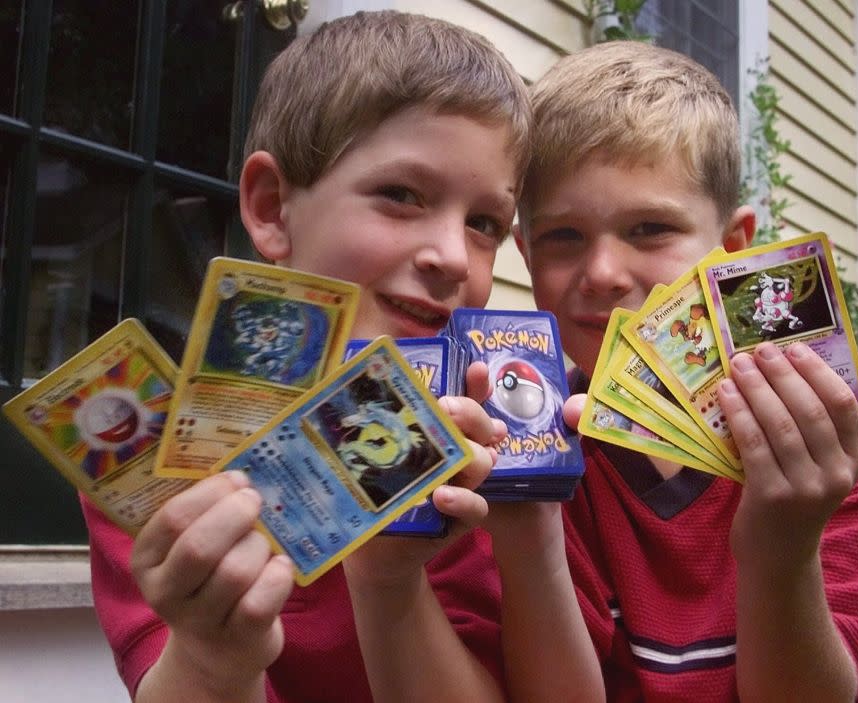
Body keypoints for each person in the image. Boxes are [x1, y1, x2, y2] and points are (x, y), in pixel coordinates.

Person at [80, 11, 556, 703]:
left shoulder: (484, 454)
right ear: (273, 208)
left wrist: (390, 581)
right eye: (401, 195)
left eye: (483, 223)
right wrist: (215, 658)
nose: (453, 256)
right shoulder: (153, 449)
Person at [512, 40, 858, 702]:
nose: (604, 273)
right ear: (525, 256)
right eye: (563, 236)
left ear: (732, 249)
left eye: (648, 228)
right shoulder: (539, 450)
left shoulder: (840, 447)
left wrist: (783, 550)